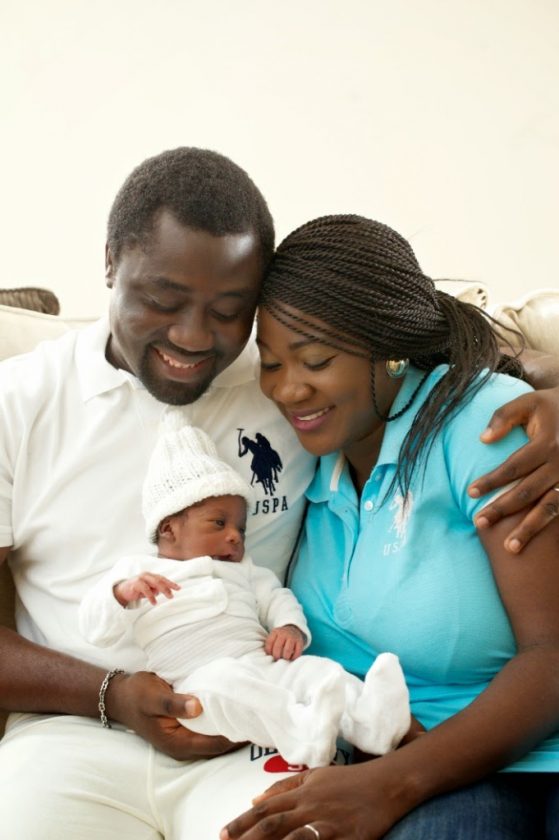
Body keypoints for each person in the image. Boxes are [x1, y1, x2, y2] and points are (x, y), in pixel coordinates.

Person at [0, 147, 558, 838]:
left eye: (229, 311)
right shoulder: (19, 401)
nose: (193, 338)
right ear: (110, 261)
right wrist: (110, 695)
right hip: (72, 733)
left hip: (261, 731)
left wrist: (552, 394)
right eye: (163, 301)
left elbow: (451, 356)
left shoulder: (288, 391)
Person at [219, 215, 559, 840]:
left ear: (391, 349)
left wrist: (390, 783)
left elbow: (554, 656)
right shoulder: (309, 463)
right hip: (397, 763)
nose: (288, 389)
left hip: (528, 753)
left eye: (315, 361)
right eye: (270, 363)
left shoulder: (483, 426)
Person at [80, 417, 410, 768]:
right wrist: (121, 594)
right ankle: (303, 735)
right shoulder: (137, 571)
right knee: (232, 687)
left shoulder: (246, 570)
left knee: (315, 672)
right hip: (197, 684)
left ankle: (371, 722)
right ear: (169, 529)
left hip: (262, 663)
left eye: (241, 528)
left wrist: (289, 627)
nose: (235, 536)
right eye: (219, 523)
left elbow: (277, 598)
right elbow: (95, 628)